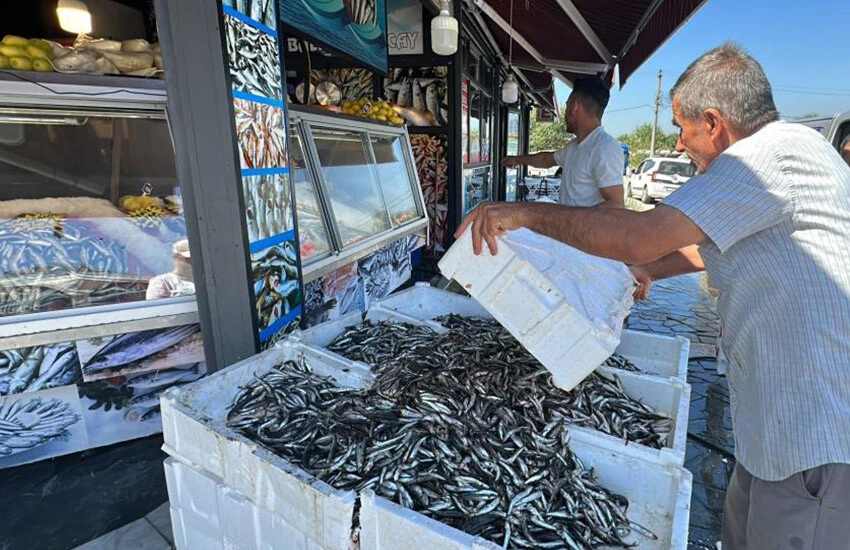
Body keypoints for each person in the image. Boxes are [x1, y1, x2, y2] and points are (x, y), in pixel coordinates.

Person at [458, 43, 850, 550]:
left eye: (682, 130)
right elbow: (707, 250)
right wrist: (647, 271)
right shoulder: (788, 154)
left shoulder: (763, 159)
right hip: (772, 424)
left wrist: (524, 214)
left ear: (714, 123)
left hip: (814, 432)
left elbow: (638, 233)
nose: (681, 144)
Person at [502, 76, 625, 208]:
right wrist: (517, 160)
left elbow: (616, 206)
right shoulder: (574, 146)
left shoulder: (605, 148)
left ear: (574, 106)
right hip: (566, 228)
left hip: (580, 229)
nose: (565, 114)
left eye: (566, 106)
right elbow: (545, 160)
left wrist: (570, 221)